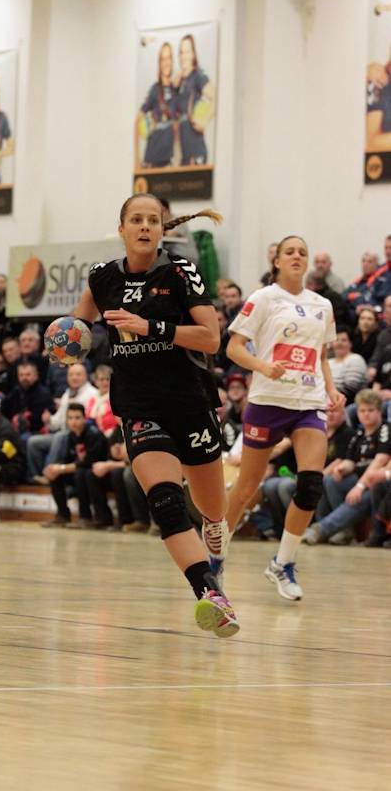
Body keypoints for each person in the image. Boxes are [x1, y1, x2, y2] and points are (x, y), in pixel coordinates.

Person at [73, 192, 238, 637]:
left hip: (189, 401)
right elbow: (78, 326)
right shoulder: (102, 276)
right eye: (137, 219)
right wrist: (64, 340)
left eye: (153, 220)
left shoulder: (180, 271)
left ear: (163, 229)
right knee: (165, 503)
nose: (145, 226)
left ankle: (215, 524)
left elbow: (210, 338)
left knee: (210, 506)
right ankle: (211, 595)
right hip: (139, 405)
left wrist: (150, 327)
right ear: (122, 228)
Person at [213, 235, 345, 601]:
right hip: (268, 401)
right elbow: (233, 347)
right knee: (246, 487)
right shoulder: (264, 298)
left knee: (311, 485)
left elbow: (321, 356)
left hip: (308, 402)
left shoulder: (322, 304)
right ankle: (215, 558)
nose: (297, 256)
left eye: (303, 252)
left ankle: (283, 563)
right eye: (290, 252)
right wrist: (262, 366)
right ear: (277, 261)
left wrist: (332, 389)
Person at [304, 390, 390, 545]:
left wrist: (359, 486)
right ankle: (342, 531)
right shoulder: (359, 433)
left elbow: (380, 460)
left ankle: (321, 529)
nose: (366, 415)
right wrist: (342, 468)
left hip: (375, 481)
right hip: (358, 477)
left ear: (379, 411)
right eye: (362, 411)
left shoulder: (385, 429)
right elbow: (350, 461)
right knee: (329, 480)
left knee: (359, 498)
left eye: (371, 410)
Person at [43, 404, 110, 528]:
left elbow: (89, 462)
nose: (73, 421)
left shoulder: (93, 434)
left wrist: (62, 468)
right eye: (70, 418)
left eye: (77, 418)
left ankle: (90, 517)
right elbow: (67, 460)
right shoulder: (71, 436)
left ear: (84, 418)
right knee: (55, 474)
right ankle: (63, 515)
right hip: (83, 472)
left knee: (82, 473)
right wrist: (55, 468)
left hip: (101, 473)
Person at [135, 42, 177, 169]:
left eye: (168, 58)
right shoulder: (154, 90)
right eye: (163, 59)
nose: (166, 62)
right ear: (159, 63)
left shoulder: (177, 90)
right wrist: (136, 159)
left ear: (172, 61)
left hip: (169, 161)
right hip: (152, 160)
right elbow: (137, 120)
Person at [175, 34, 215, 165]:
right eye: (181, 52)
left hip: (196, 152)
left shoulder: (197, 75)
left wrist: (205, 121)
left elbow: (216, 97)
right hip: (184, 155)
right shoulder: (180, 80)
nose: (184, 56)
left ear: (193, 54)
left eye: (187, 52)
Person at [328, 327, 367, 404]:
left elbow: (351, 388)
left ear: (351, 343)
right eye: (336, 340)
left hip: (348, 402)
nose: (339, 343)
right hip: (325, 400)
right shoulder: (328, 362)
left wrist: (328, 395)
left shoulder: (355, 359)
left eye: (344, 340)